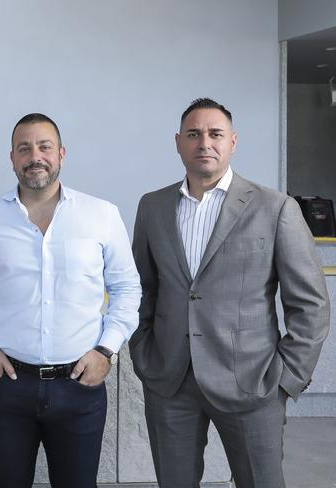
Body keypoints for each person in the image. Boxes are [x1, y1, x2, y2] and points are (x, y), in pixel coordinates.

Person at [130, 97, 330, 488]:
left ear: (232, 142)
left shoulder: (276, 208)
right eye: (194, 134)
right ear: (178, 142)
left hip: (253, 383)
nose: (204, 142)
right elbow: (143, 289)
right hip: (170, 381)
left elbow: (310, 304)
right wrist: (145, 355)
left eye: (215, 134)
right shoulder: (152, 207)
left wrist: (286, 379)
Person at [0, 113, 141, 488]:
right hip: (7, 384)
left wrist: (106, 351)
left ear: (62, 154)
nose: (34, 156)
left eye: (44, 147)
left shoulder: (101, 215)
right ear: (12, 158)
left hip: (80, 385)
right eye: (24, 148)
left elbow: (127, 288)